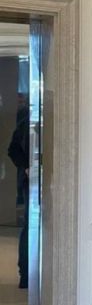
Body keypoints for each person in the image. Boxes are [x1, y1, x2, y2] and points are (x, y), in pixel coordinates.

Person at [8, 97, 29, 289]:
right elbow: (13, 150)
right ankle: (26, 274)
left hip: (36, 180)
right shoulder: (26, 118)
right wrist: (27, 166)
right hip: (30, 182)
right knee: (30, 225)